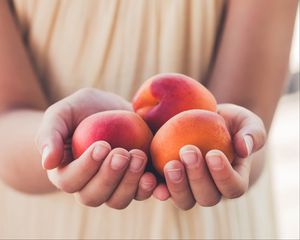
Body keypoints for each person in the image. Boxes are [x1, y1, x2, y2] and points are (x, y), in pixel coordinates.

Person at [0, 0, 297, 238]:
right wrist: (58, 149)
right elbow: (6, 118)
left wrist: (237, 148)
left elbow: (246, 122)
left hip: (212, 226)